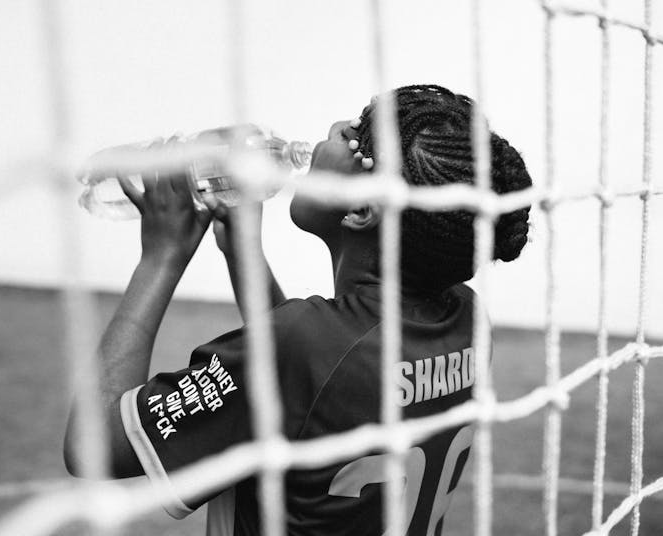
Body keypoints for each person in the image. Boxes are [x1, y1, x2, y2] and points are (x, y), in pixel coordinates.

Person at [64, 84, 532, 535]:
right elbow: (317, 388)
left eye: (353, 133)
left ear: (362, 208)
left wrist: (161, 257)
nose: (332, 131)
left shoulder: (304, 343)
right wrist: (244, 251)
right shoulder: (469, 321)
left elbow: (93, 447)